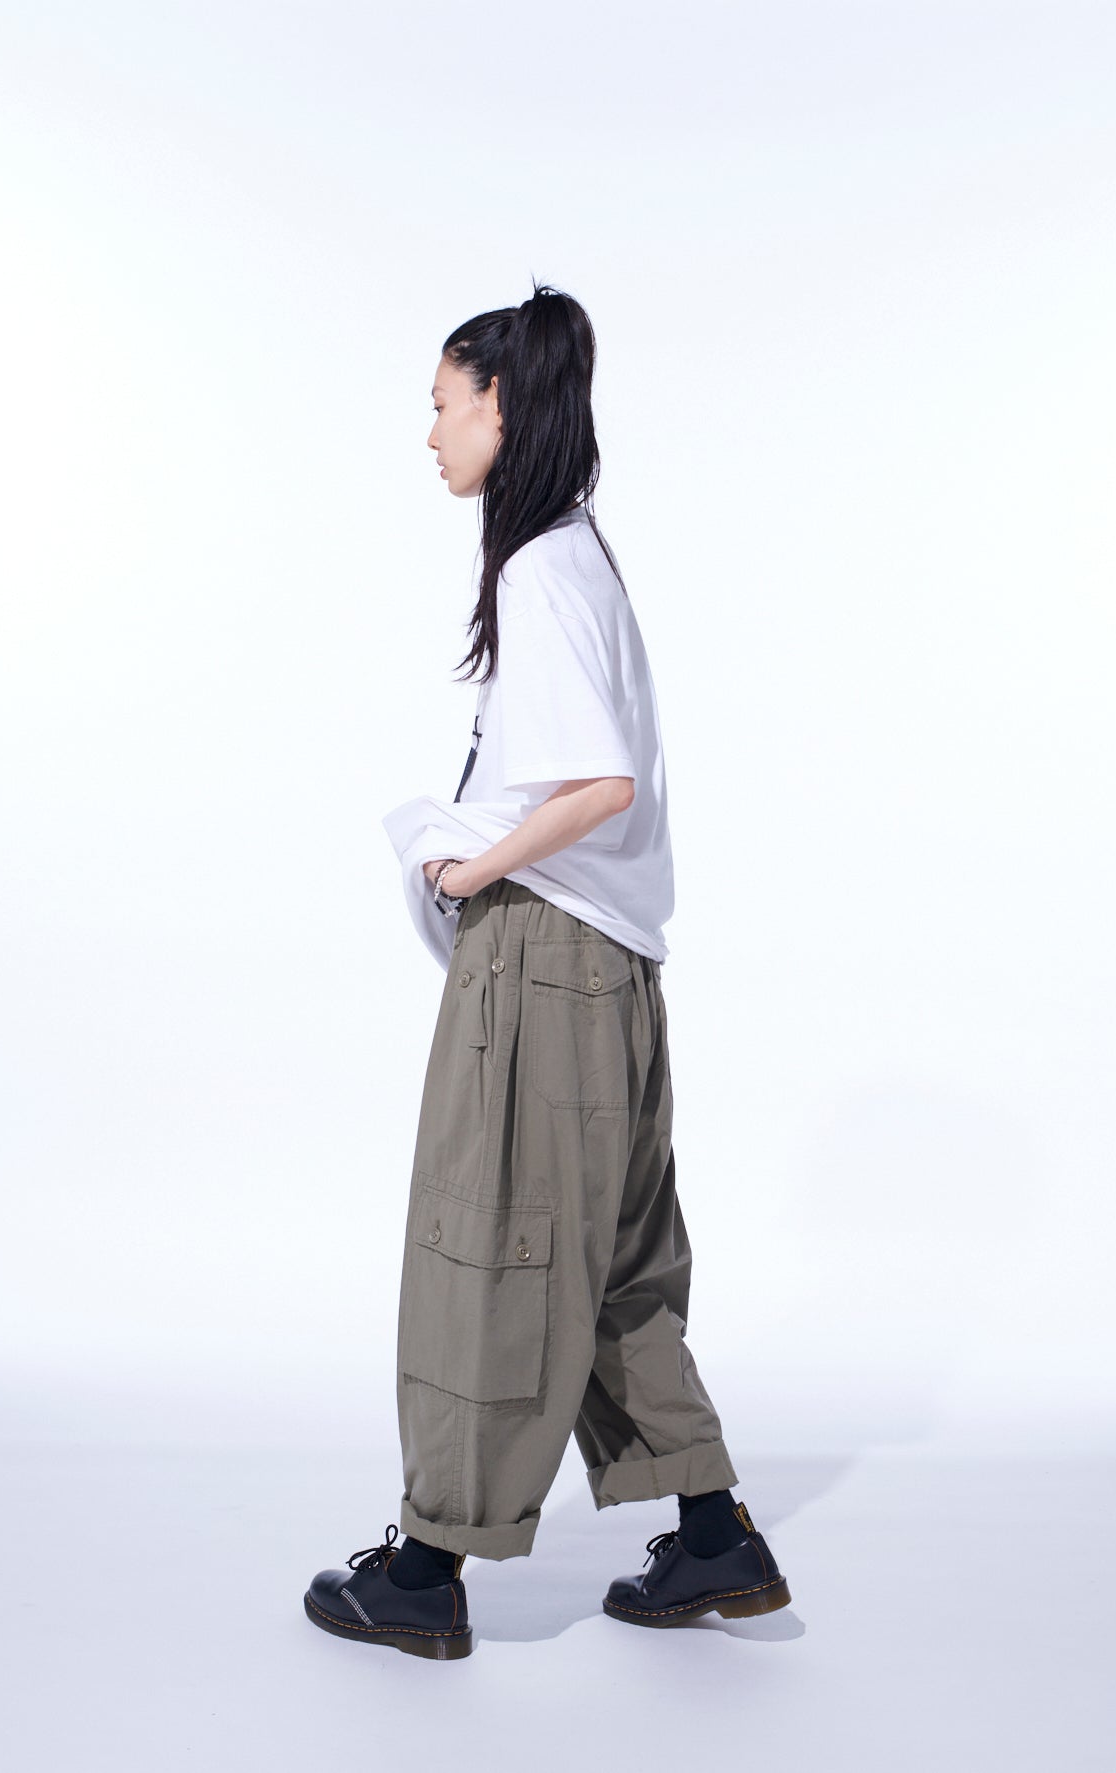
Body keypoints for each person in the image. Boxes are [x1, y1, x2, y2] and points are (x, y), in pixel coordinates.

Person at [303, 281, 791, 1660]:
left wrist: (472, 869)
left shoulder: (540, 572)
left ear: (502, 407)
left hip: (548, 958)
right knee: (618, 1263)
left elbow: (600, 784)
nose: (431, 432)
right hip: (612, 974)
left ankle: (425, 1568)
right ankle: (713, 1537)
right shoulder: (579, 555)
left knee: (491, 1246)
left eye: (444, 404)